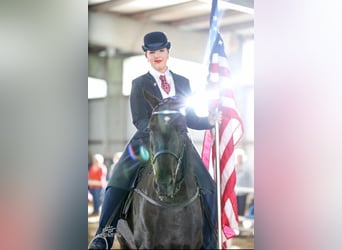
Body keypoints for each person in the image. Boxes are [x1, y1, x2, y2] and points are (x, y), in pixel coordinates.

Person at [88, 31, 221, 249]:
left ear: (168, 51)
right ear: (146, 55)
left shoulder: (183, 82)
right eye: (152, 52)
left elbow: (191, 119)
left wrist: (210, 120)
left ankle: (209, 239)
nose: (157, 55)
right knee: (116, 181)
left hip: (180, 143)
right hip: (147, 141)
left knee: (208, 186)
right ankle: (104, 235)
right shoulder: (139, 83)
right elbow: (139, 119)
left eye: (161, 50)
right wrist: (159, 129)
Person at [235, 149, 253, 216]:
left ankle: (241, 219)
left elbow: (250, 179)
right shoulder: (235, 166)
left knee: (242, 207)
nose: (239, 159)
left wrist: (250, 191)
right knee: (236, 207)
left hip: (243, 192)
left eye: (240, 157)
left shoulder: (246, 167)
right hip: (236, 191)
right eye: (238, 157)